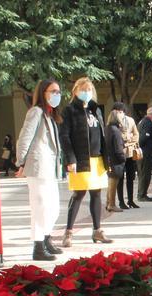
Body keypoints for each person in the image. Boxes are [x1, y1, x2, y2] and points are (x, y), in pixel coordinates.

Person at [14, 78, 64, 261]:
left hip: (50, 169)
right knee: (40, 208)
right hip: (38, 167)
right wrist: (20, 163)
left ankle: (46, 238)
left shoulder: (49, 115)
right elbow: (24, 138)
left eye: (58, 92)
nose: (57, 95)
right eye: (53, 91)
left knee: (53, 208)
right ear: (43, 93)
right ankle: (38, 247)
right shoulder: (35, 112)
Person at [60, 77, 113, 246]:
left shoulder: (95, 110)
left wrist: (107, 159)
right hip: (80, 159)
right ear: (75, 91)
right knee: (79, 194)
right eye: (83, 89)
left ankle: (97, 231)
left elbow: (102, 135)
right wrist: (70, 159)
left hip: (97, 159)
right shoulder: (69, 111)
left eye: (89, 89)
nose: (87, 92)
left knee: (96, 194)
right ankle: (68, 233)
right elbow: (65, 136)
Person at [104, 102, 128, 213]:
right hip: (116, 160)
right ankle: (112, 204)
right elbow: (118, 148)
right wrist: (123, 157)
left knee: (110, 182)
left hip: (109, 159)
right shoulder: (116, 131)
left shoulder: (108, 128)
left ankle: (108, 202)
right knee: (114, 182)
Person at [138, 106, 152, 201]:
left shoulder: (141, 121)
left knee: (143, 173)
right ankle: (142, 195)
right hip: (146, 153)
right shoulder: (148, 123)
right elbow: (143, 138)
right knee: (145, 174)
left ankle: (141, 193)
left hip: (143, 153)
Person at [121, 105, 141, 209]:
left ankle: (130, 200)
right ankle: (121, 201)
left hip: (130, 152)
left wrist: (128, 141)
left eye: (122, 111)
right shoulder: (114, 122)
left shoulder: (131, 120)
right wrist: (125, 137)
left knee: (130, 177)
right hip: (119, 153)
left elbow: (136, 135)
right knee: (120, 178)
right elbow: (115, 136)